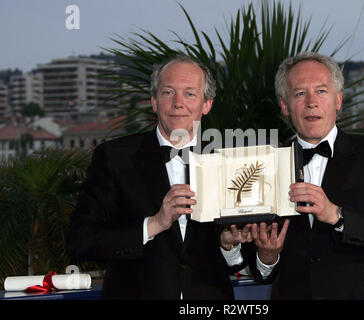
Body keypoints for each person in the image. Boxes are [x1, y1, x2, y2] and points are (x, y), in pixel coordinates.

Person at [67, 54, 251, 299]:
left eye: (190, 93)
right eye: (168, 92)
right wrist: (154, 224)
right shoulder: (114, 158)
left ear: (207, 104)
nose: (178, 103)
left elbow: (244, 262)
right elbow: (81, 242)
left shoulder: (231, 160)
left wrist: (229, 246)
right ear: (153, 101)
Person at [245, 52, 364, 299]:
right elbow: (260, 271)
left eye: (321, 91)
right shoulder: (264, 165)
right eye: (300, 93)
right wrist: (267, 255)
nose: (311, 102)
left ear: (338, 100)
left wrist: (336, 215)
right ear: (285, 106)